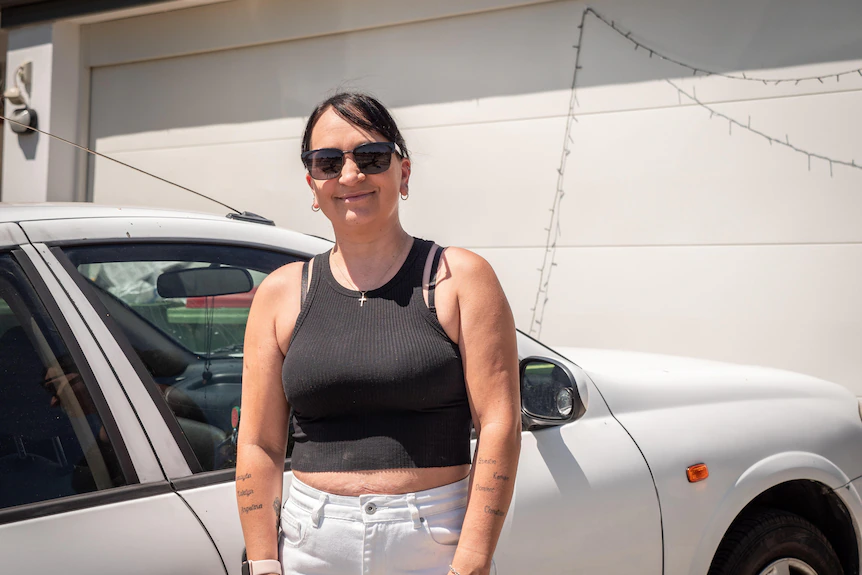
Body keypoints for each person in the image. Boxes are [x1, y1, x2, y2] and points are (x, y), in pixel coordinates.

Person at [236, 92, 521, 575]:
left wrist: (471, 563)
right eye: (328, 161)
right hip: (310, 544)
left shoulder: (460, 279)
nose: (350, 175)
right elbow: (259, 443)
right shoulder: (280, 294)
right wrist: (263, 563)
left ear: (403, 173)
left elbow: (499, 425)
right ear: (312, 183)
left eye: (370, 157)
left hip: (434, 545)